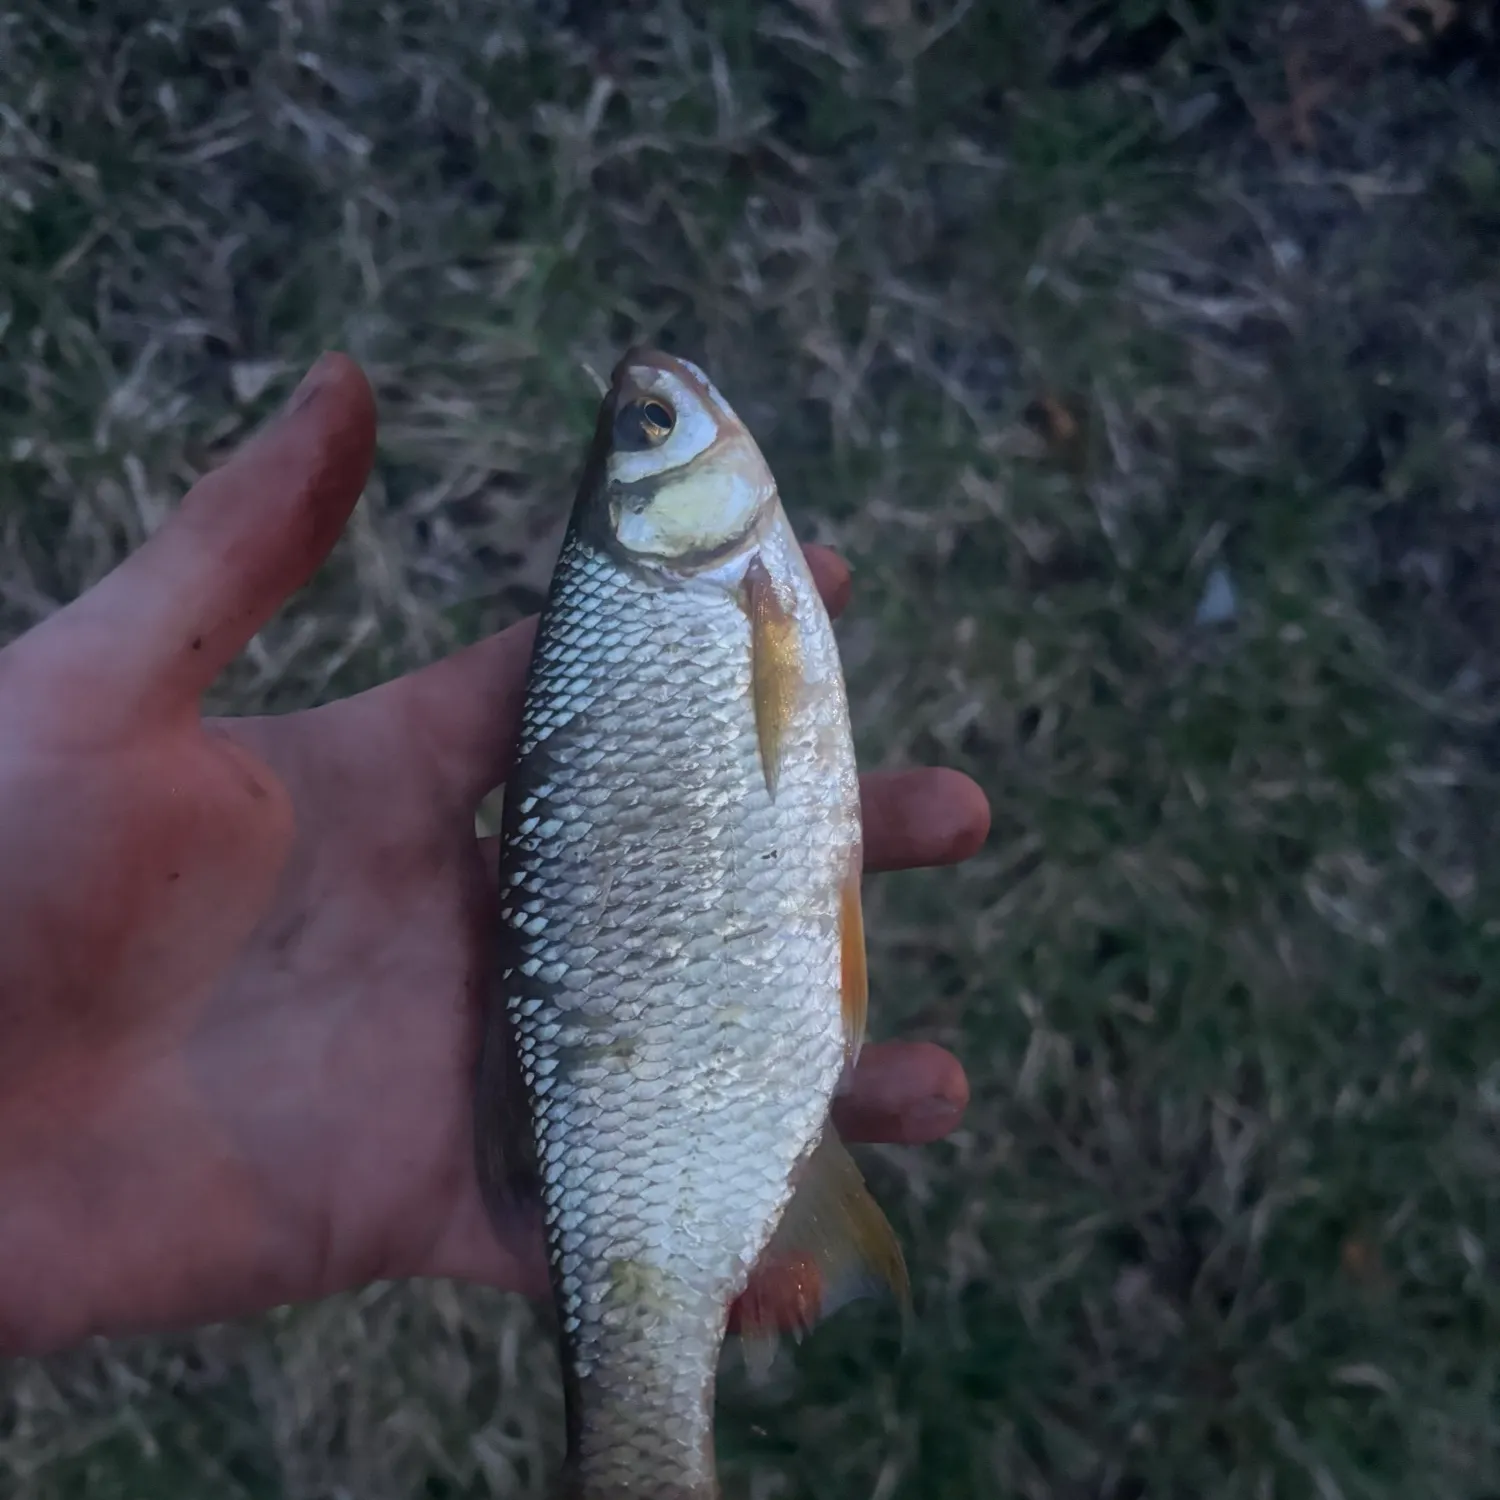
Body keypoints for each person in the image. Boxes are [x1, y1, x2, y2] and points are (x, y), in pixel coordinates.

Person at [0, 354, 990, 1359]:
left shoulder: (721, 589)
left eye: (645, 427)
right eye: (654, 425)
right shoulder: (735, 591)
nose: (667, 411)